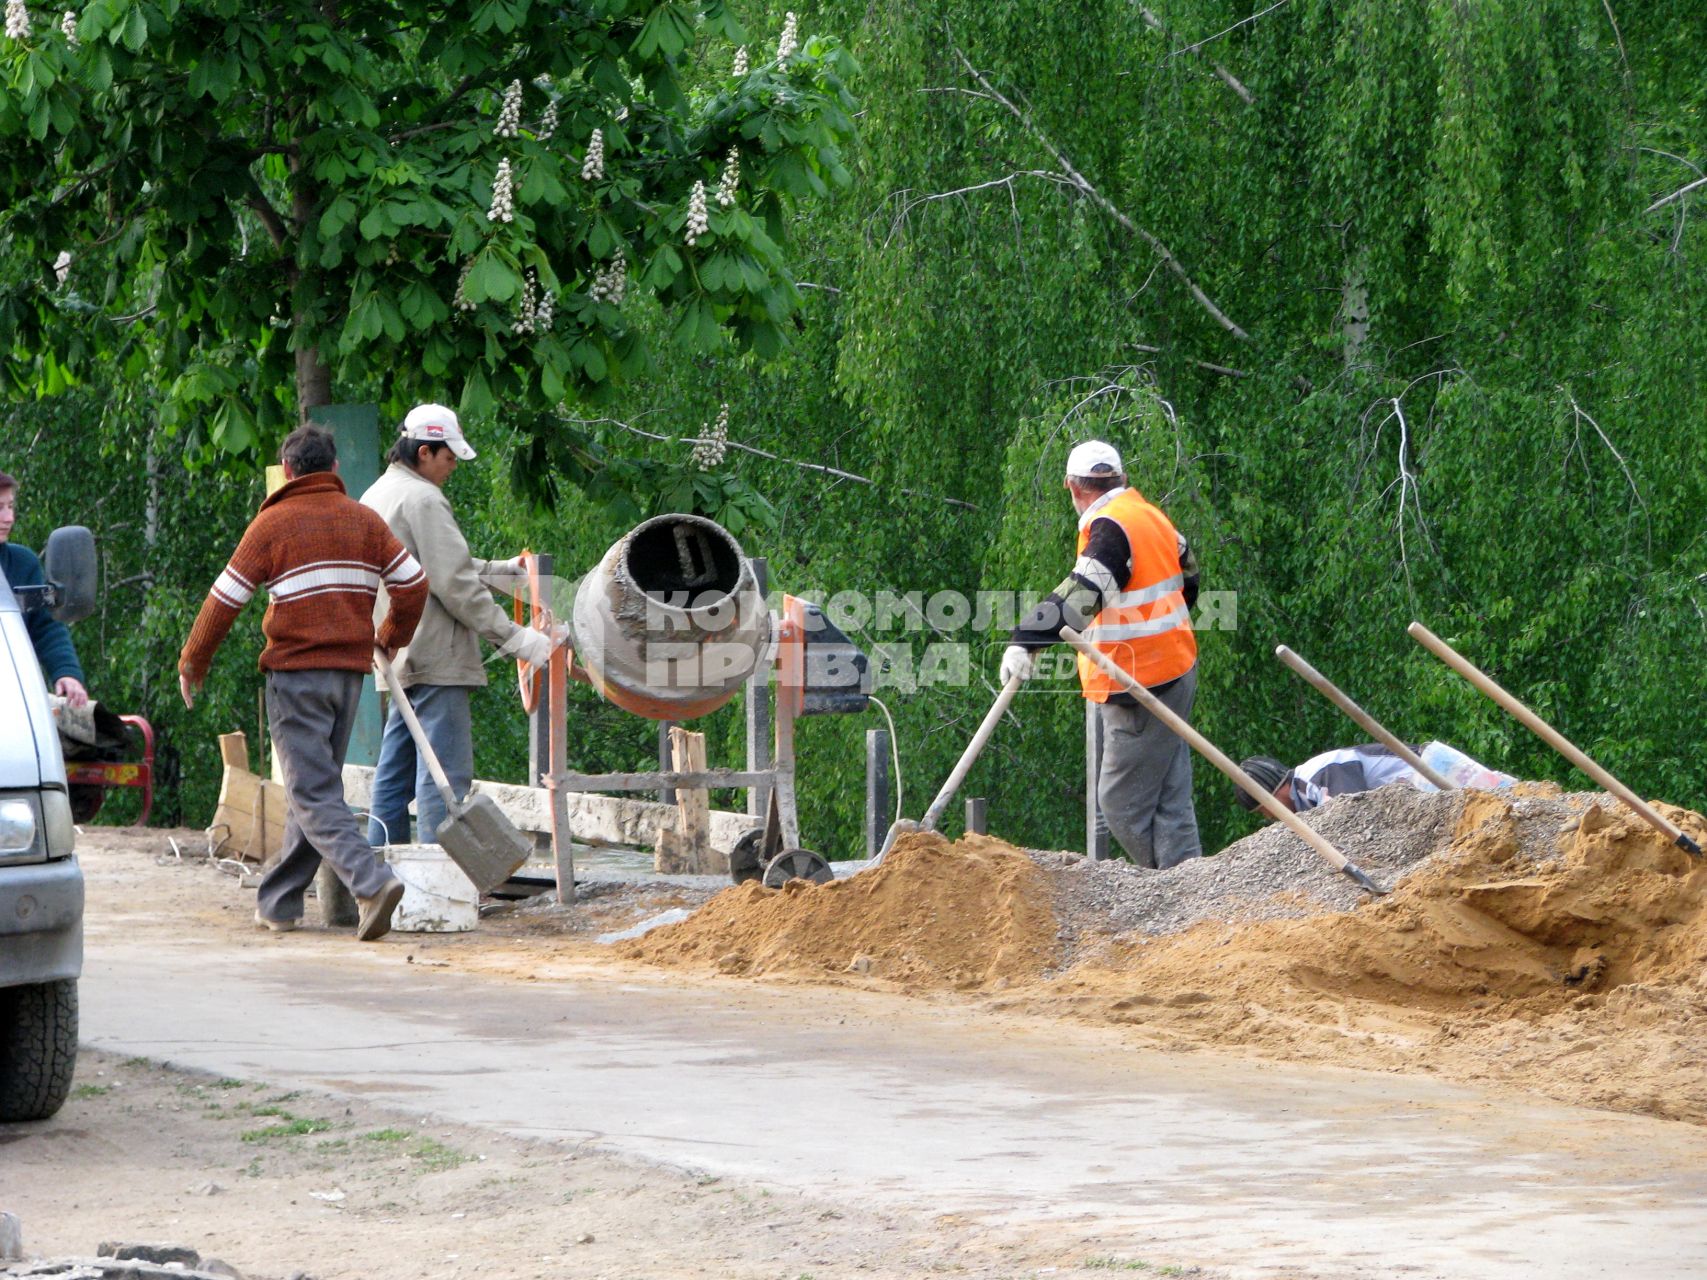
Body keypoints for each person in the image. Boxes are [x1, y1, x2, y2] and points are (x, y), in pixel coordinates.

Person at [178, 426, 429, 941]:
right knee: (311, 792)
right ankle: (280, 901)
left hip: (295, 678)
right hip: (348, 681)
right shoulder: (365, 521)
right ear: (334, 468)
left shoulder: (272, 523)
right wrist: (390, 636)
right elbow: (413, 582)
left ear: (288, 472)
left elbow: (224, 600)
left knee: (311, 793)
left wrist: (193, 662)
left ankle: (371, 882)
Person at [359, 403, 564, 848]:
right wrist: (516, 638)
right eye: (449, 457)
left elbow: (433, 561)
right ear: (425, 452)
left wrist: (497, 571)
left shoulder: (378, 494)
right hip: (436, 654)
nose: (453, 467)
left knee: (393, 776)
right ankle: (439, 886)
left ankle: (381, 879)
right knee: (444, 778)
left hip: (397, 656)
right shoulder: (424, 499)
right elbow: (452, 582)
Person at [1001, 440, 1203, 869]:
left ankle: (1172, 884)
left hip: (1139, 684)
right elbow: (1188, 569)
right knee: (1170, 796)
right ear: (1120, 479)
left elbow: (1081, 594)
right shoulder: (1148, 515)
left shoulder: (1111, 529)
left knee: (1120, 802)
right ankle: (1189, 883)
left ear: (1072, 487)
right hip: (1175, 668)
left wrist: (1026, 640)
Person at [0, 471, 89, 708]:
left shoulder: (23, 564)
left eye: (10, 506)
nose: (9, 517)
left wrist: (66, 673)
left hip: (13, 711)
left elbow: (46, 625)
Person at [1237, 742, 1516, 814]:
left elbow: (1350, 812)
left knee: (1511, 803)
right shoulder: (1306, 792)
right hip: (1424, 782)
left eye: (1267, 811)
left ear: (1274, 793)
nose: (1272, 819)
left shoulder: (1316, 775)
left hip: (1430, 770)